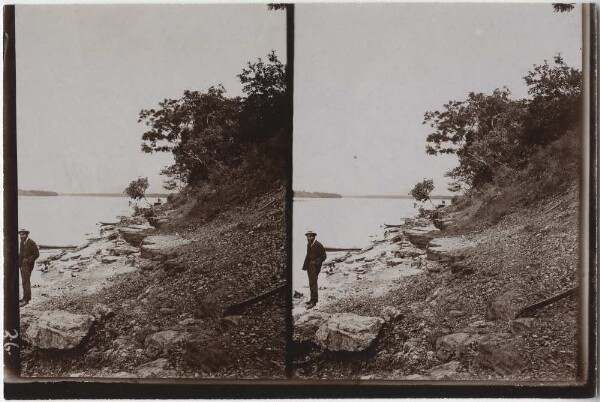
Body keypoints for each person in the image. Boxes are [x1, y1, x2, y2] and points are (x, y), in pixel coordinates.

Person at [302, 230, 327, 309]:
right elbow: (308, 255)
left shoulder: (318, 245)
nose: (308, 238)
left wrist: (316, 262)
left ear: (313, 236)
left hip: (315, 267)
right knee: (311, 283)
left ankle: (314, 302)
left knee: (314, 283)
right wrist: (305, 266)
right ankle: (312, 299)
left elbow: (324, 256)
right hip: (309, 266)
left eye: (309, 236)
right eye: (307, 237)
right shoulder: (309, 244)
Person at [18, 228, 39, 306]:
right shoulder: (22, 242)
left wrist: (28, 261)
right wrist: (19, 265)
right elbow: (21, 254)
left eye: (23, 234)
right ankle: (25, 298)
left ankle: (26, 300)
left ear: (27, 234)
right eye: (20, 234)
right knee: (24, 281)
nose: (21, 235)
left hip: (28, 265)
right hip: (22, 265)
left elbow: (36, 254)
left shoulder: (31, 242)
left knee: (26, 281)